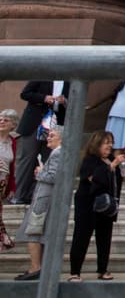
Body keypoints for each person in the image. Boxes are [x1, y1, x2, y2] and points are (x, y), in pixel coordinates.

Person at [69, 130, 125, 282]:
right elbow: (94, 178)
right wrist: (112, 166)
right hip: (88, 204)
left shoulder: (110, 160)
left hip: (106, 206)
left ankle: (102, 269)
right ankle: (75, 272)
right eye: (106, 143)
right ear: (97, 144)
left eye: (111, 143)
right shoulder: (90, 160)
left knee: (104, 238)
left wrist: (120, 166)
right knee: (81, 236)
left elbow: (117, 181)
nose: (110, 146)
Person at [12, 123, 63, 280]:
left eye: (52, 135)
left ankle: (35, 267)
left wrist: (40, 173)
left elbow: (54, 177)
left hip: (44, 200)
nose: (48, 138)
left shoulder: (58, 153)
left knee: (33, 232)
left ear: (62, 139)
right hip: (45, 198)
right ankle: (39, 267)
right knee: (38, 233)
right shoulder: (58, 153)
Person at [13, 80, 66, 204]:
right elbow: (25, 93)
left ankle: (38, 196)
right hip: (35, 123)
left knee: (49, 160)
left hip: (56, 124)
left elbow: (76, 101)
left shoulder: (70, 81)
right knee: (28, 159)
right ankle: (20, 195)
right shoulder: (42, 74)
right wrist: (44, 98)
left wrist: (64, 101)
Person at [0, 109, 18, 250]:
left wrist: (12, 187)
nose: (2, 122)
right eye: (0, 119)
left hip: (2, 183)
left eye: (6, 120)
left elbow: (12, 166)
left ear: (13, 125)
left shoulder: (12, 141)